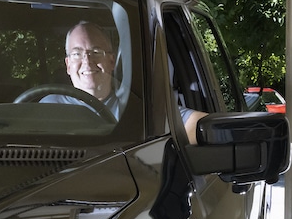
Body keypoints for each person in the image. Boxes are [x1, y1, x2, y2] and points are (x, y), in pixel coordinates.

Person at [45, 21, 206, 142]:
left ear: (111, 61)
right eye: (77, 54)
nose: (87, 61)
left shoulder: (137, 106)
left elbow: (197, 124)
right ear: (68, 65)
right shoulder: (46, 108)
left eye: (96, 52)